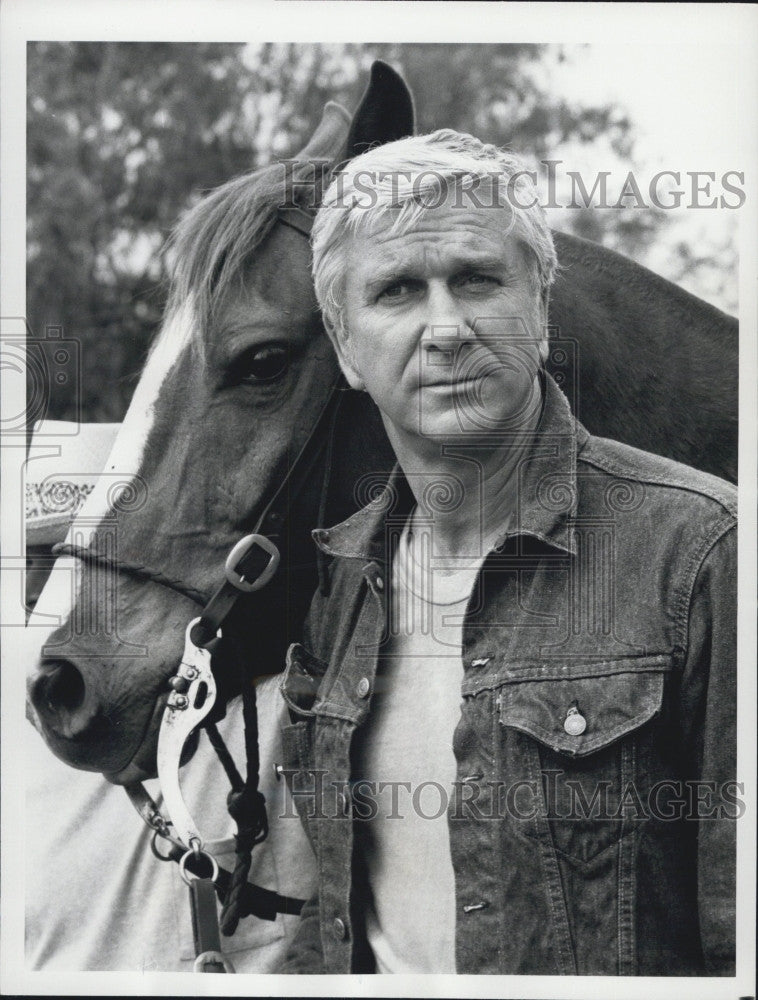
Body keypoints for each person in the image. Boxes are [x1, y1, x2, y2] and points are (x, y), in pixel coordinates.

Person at [278, 130, 737, 976]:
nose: (446, 328)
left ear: (542, 311)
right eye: (397, 291)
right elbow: (344, 914)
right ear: (346, 350)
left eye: (478, 280)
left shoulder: (708, 553)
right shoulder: (343, 579)